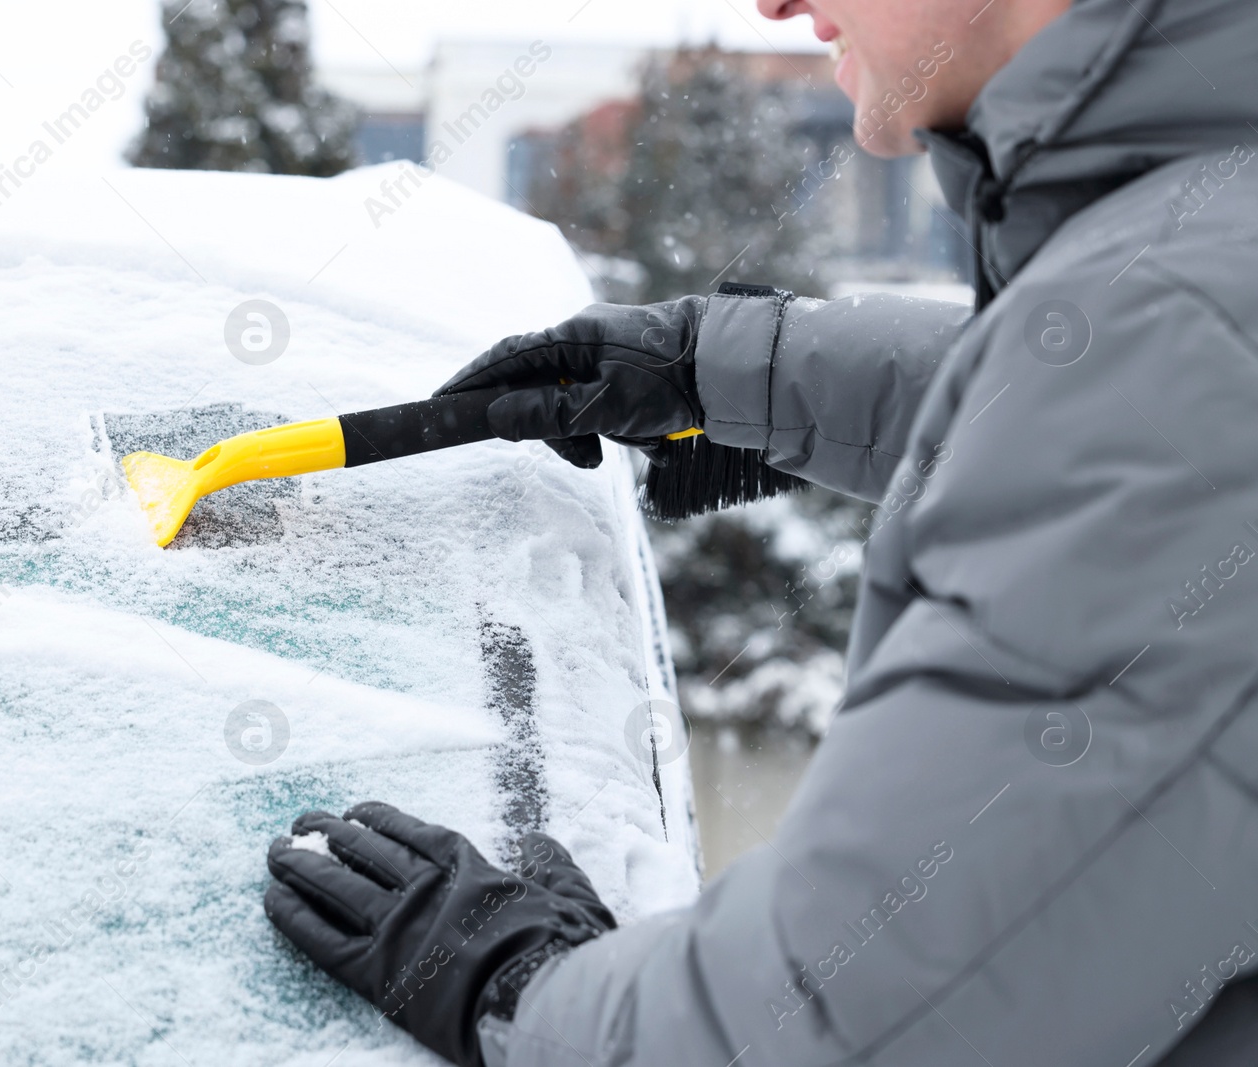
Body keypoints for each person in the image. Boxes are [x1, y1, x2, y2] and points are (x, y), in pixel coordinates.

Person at [262, 0, 1258, 1062]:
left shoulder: (1178, 332)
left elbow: (859, 1014)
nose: (775, 3)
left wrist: (520, 992)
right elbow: (1092, 391)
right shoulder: (1200, 254)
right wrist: (716, 368)